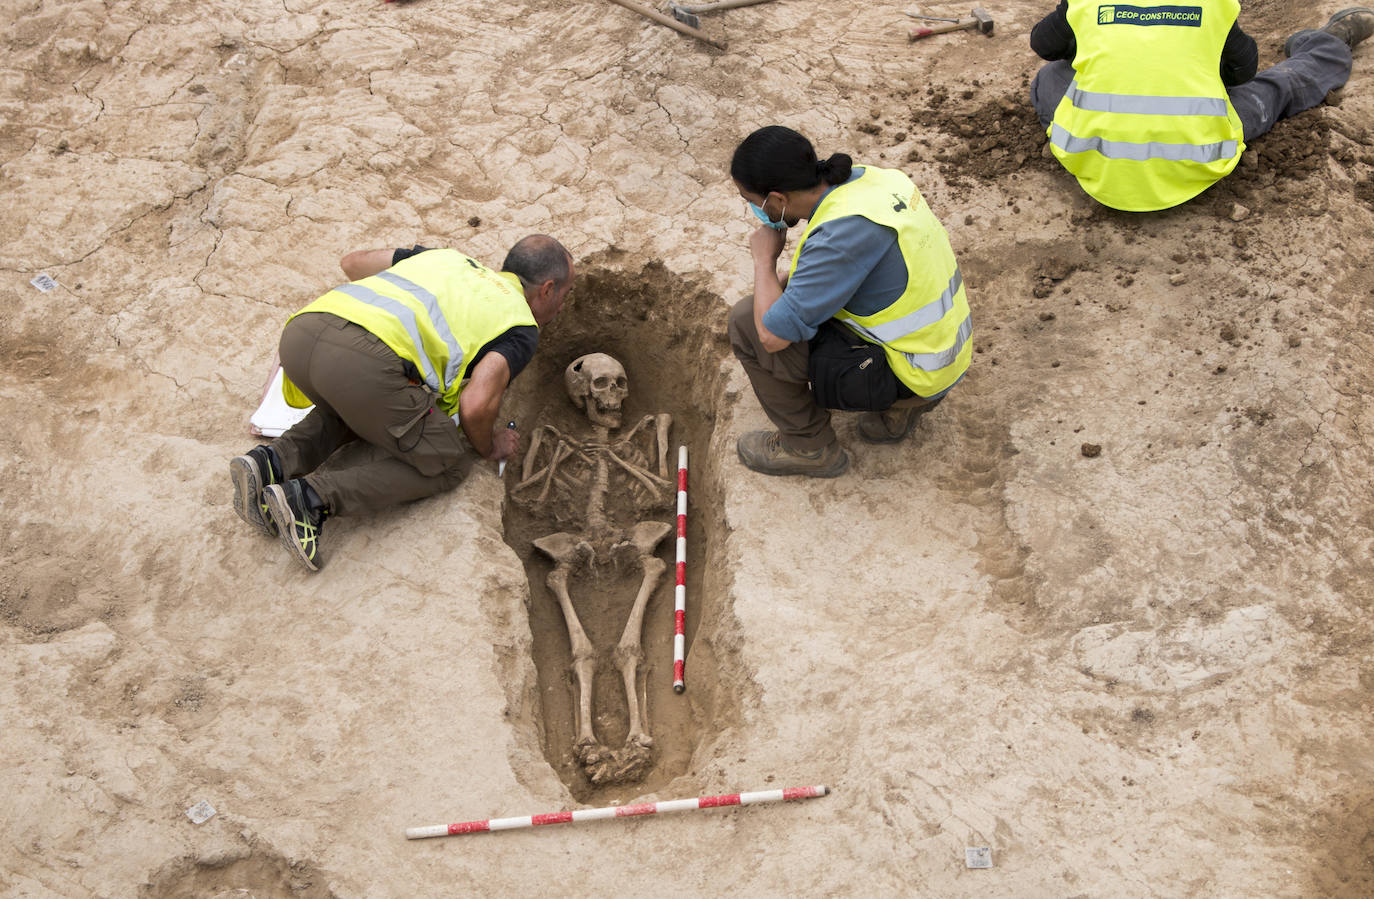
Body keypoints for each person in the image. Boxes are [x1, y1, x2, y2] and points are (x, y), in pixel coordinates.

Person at [230, 235, 574, 571]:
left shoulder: (446, 257)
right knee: (449, 461)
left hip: (301, 335)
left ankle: (269, 463)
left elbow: (352, 263)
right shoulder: (520, 325)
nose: (562, 306)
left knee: (365, 404)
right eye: (564, 294)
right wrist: (490, 445)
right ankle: (309, 499)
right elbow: (475, 405)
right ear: (546, 289)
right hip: (363, 367)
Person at [727, 125, 972, 478]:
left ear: (777, 199)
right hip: (944, 353)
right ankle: (899, 412)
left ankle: (809, 447)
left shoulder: (839, 237)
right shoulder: (878, 183)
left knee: (747, 320)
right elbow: (841, 272)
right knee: (782, 305)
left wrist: (763, 261)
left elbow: (771, 335)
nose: (754, 210)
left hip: (914, 370)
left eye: (751, 200)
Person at [1030, 4, 1374, 211]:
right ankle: (1327, 43)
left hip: (1098, 168)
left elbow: (1043, 43)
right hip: (1198, 156)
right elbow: (1242, 72)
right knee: (1275, 87)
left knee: (1050, 78)